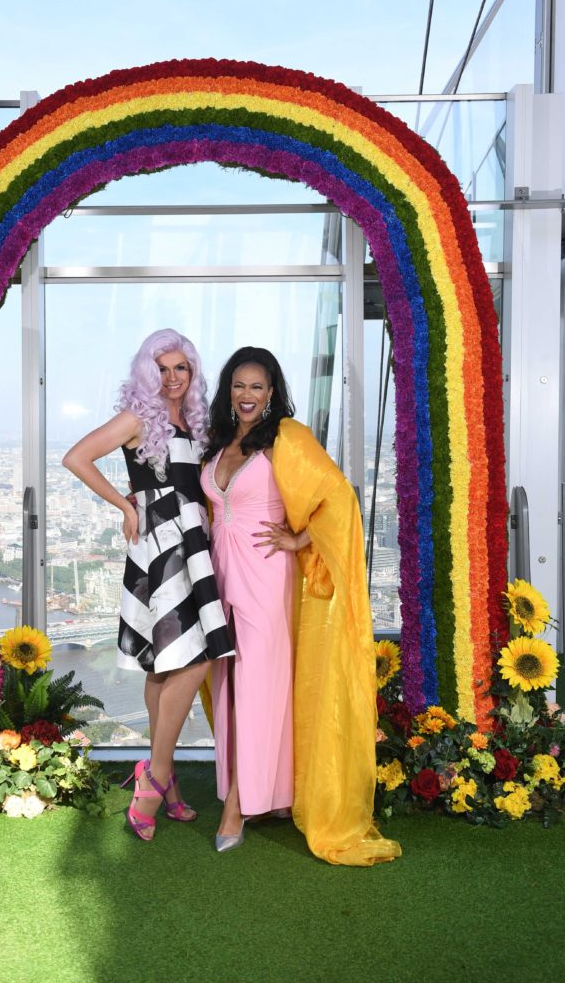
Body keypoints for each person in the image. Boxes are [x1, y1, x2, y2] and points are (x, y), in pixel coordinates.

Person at [201, 346, 401, 865]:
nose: (247, 395)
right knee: (229, 690)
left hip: (266, 582)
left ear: (272, 393)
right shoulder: (220, 441)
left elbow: (339, 498)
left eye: (257, 386)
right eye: (239, 385)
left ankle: (237, 809)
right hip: (218, 580)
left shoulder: (287, 438)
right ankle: (262, 795)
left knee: (257, 693)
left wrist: (298, 540)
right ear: (229, 391)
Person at [63, 329, 233, 841]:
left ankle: (164, 780)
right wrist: (126, 504)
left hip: (193, 540)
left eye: (181, 368)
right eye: (162, 369)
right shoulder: (138, 418)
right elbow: (76, 457)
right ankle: (157, 775)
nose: (173, 378)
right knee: (192, 658)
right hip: (161, 543)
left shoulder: (193, 420)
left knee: (165, 663)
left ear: (193, 372)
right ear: (147, 372)